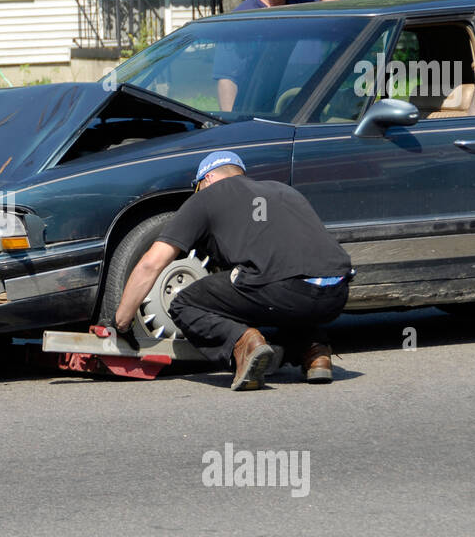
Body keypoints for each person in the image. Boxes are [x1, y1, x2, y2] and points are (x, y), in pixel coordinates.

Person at [111, 151, 353, 391]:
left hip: (281, 291)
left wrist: (121, 322)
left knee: (185, 303)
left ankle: (245, 345)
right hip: (336, 293)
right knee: (286, 291)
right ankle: (315, 350)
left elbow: (151, 263)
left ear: (208, 179)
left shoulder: (205, 197)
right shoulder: (284, 191)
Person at [215, 0, 342, 111]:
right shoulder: (241, 19)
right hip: (261, 116)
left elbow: (342, 14)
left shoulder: (307, 7)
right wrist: (230, 124)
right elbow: (227, 77)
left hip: (310, 112)